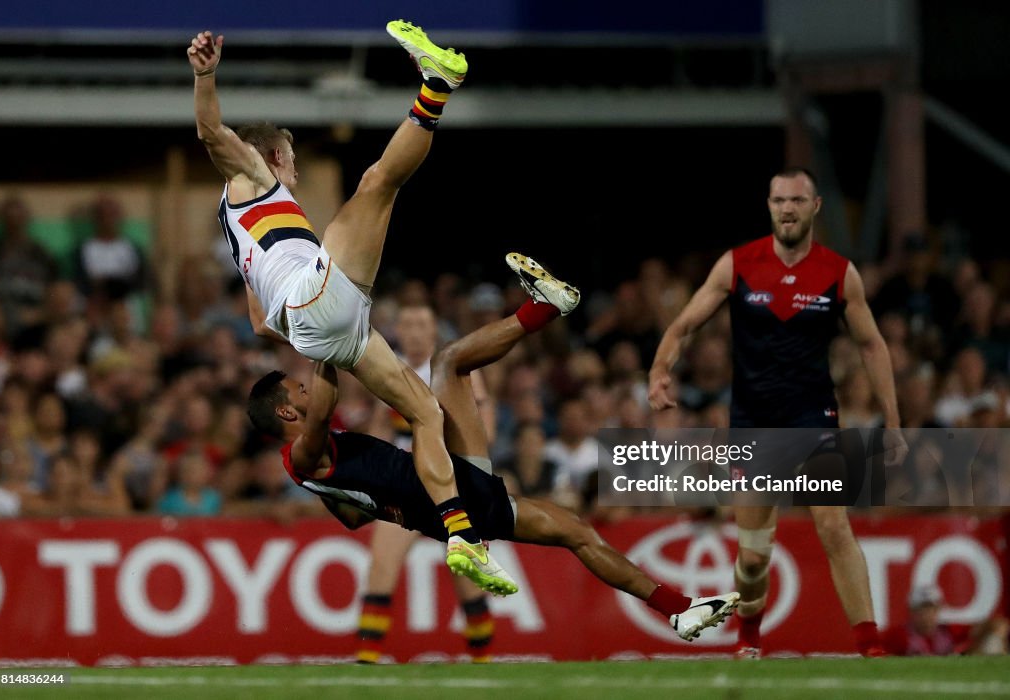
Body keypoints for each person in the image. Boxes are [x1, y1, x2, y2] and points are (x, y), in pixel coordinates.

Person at [188, 21, 527, 593]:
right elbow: (210, 131)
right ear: (271, 155)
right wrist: (206, 76)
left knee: (425, 411)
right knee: (376, 183)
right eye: (290, 162)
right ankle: (435, 87)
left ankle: (461, 534)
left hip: (320, 324)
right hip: (317, 303)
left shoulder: (243, 234)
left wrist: (322, 342)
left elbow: (257, 321)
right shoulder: (252, 175)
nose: (293, 175)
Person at [248, 254, 739, 640]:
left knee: (577, 531)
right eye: (299, 391)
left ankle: (679, 610)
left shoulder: (310, 469)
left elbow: (353, 518)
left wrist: (256, 276)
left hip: (446, 492)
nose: (308, 389)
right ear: (289, 414)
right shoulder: (303, 453)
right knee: (450, 364)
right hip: (448, 496)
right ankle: (544, 309)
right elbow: (327, 398)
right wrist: (320, 333)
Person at [648, 167, 909, 658]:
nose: (787, 208)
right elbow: (683, 326)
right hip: (753, 423)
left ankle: (869, 645)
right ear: (768, 206)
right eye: (778, 200)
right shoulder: (737, 265)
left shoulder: (838, 271)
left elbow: (872, 345)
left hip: (815, 418)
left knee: (834, 526)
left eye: (796, 200)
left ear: (815, 208)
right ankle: (749, 638)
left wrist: (892, 419)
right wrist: (661, 368)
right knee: (752, 558)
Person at [356, 304, 497, 664]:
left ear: (434, 330)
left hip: (449, 484)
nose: (415, 331)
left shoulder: (449, 370)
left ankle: (483, 661)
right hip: (404, 484)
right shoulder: (386, 368)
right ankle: (366, 662)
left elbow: (485, 425)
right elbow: (379, 428)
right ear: (398, 330)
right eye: (407, 324)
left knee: (466, 575)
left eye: (422, 324)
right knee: (381, 567)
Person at [881, 585, 1009, 656]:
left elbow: (997, 624)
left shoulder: (948, 631)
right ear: (911, 611)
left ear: (938, 609)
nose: (927, 614)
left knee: (992, 642)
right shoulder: (899, 635)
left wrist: (995, 635)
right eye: (921, 609)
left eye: (931, 608)